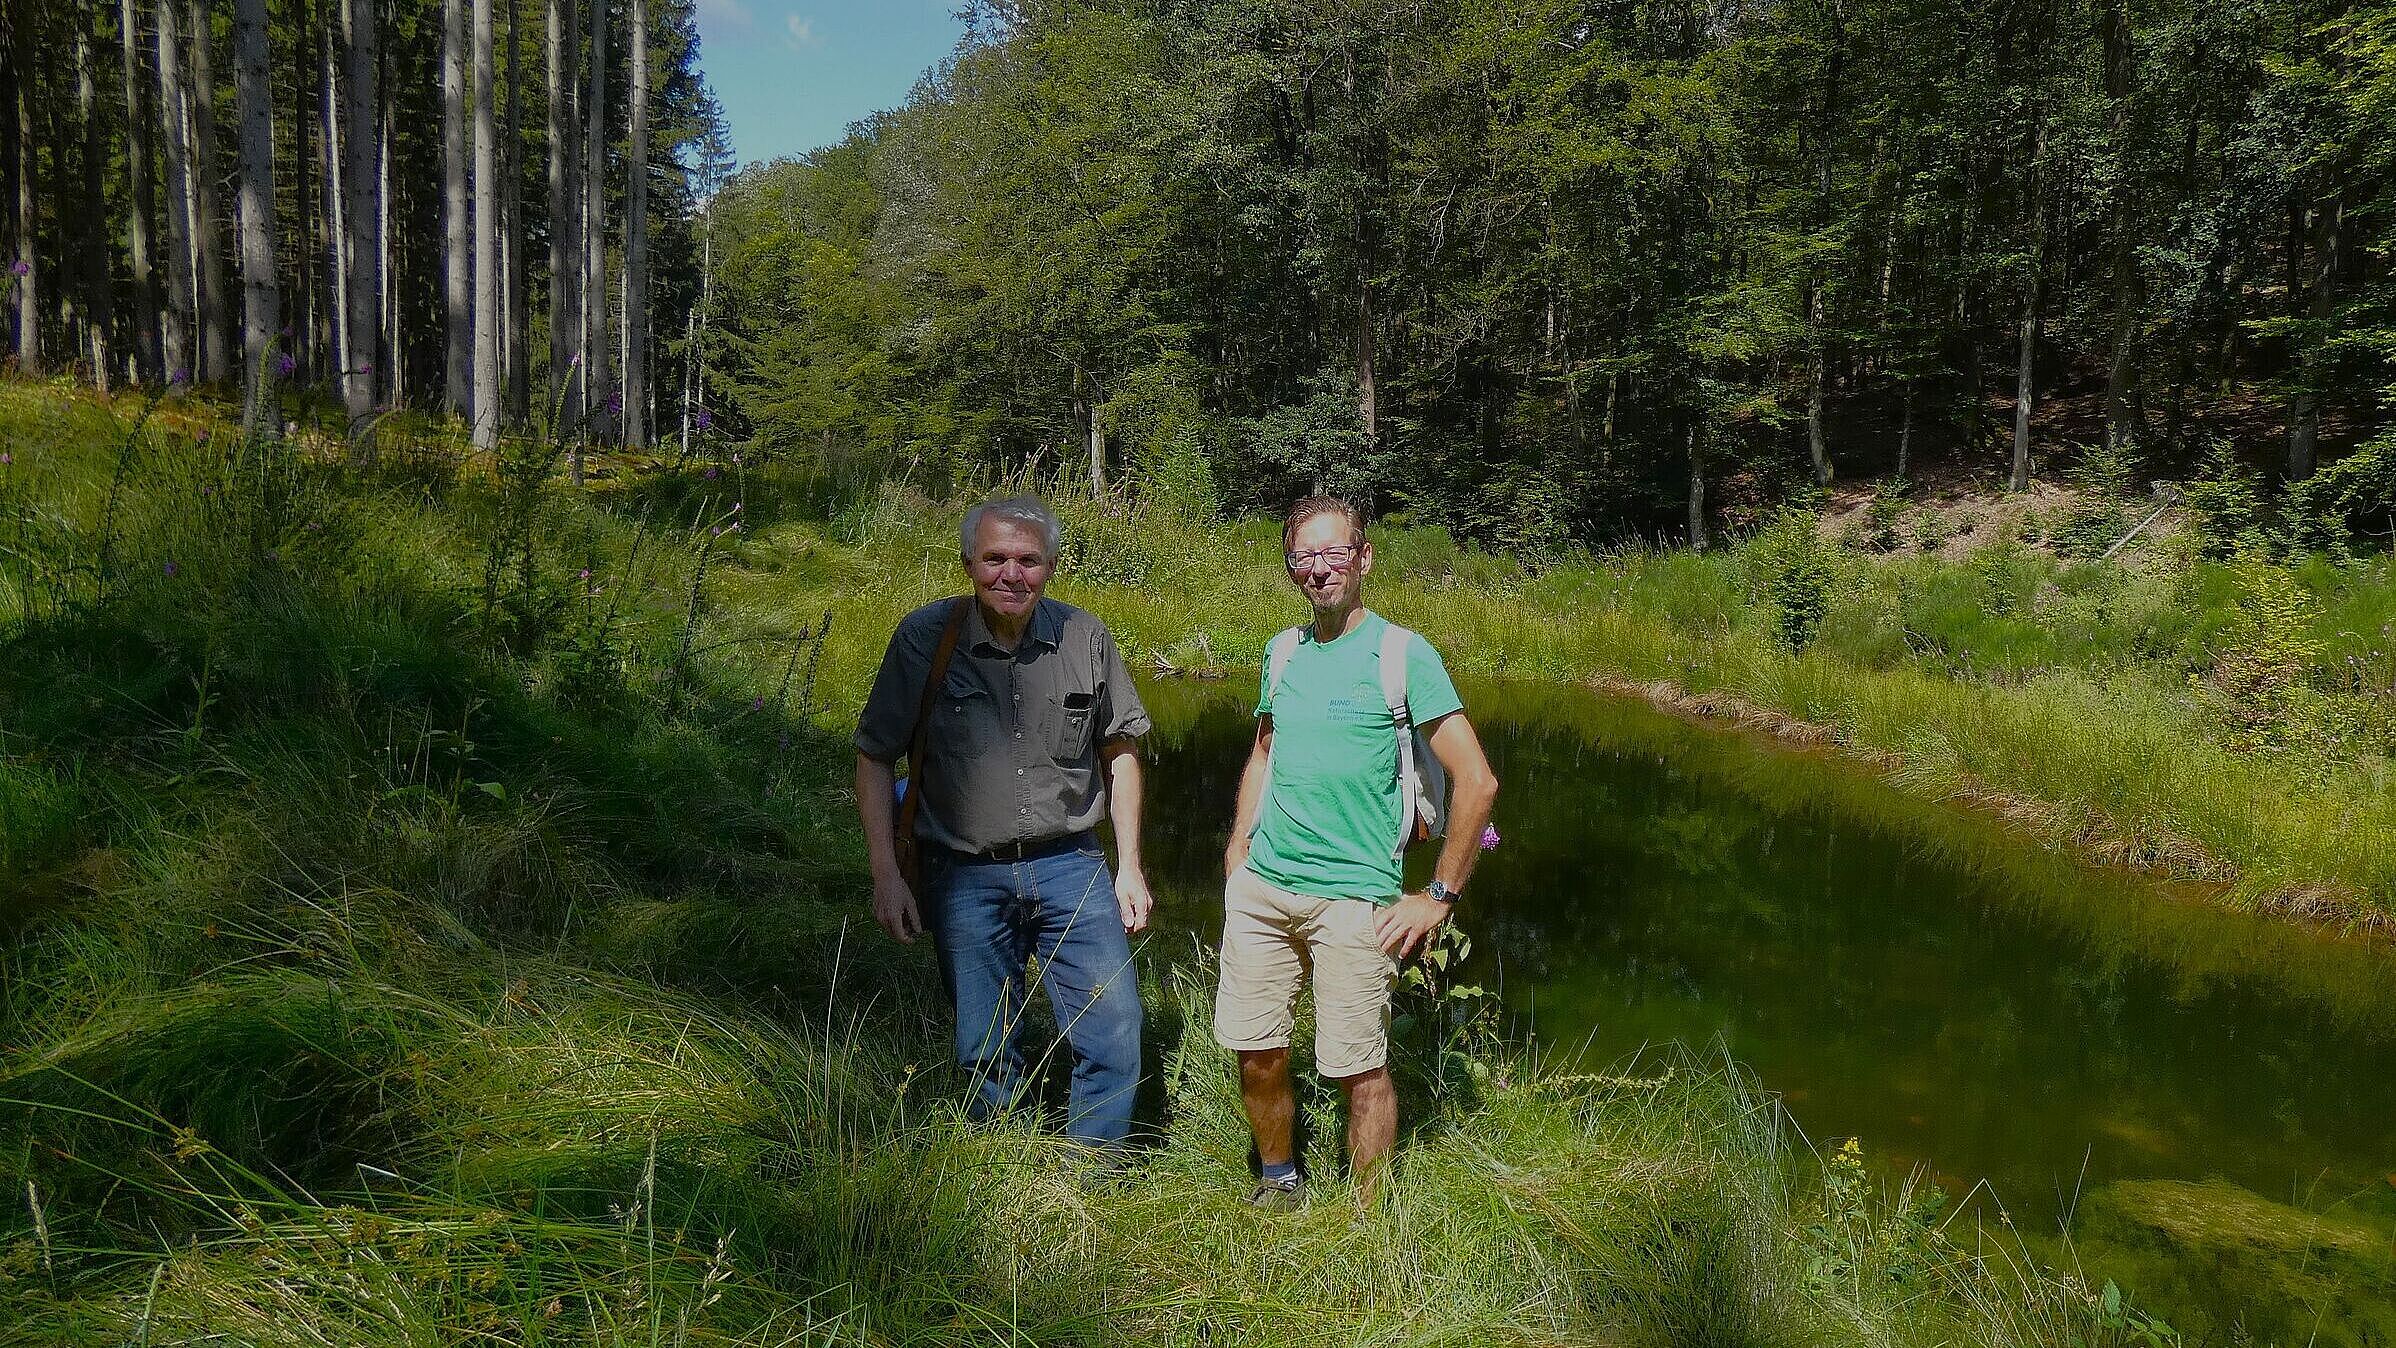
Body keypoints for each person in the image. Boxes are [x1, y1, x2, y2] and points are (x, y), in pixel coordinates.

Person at [1216, 495, 1500, 1206]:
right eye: (1303, 558)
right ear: (1290, 570)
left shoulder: (1404, 655)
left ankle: (1367, 1218)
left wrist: (1437, 895)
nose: (1319, 569)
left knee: (1358, 1068)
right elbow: (1264, 752)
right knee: (1258, 1053)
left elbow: (1478, 781)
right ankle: (1278, 1180)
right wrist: (1238, 845)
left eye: (1334, 552)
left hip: (1356, 900)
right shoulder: (1282, 651)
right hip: (1264, 891)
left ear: (1364, 557)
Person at [853, 496, 1153, 1150]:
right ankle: (1007, 1168)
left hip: (1072, 865)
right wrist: (886, 876)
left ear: (1050, 566)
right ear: (968, 563)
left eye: (1028, 560)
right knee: (984, 1049)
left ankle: (1090, 1181)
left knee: (1116, 1030)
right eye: (994, 559)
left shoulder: (1085, 637)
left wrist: (1129, 867)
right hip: (962, 874)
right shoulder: (925, 639)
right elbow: (875, 757)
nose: (1010, 575)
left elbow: (1120, 753)